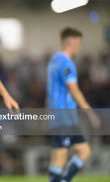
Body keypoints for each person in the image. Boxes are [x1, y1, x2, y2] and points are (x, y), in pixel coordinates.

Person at [47, 27, 100, 182]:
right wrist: (90, 113)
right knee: (60, 155)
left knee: (84, 150)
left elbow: (50, 90)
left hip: (62, 115)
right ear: (70, 42)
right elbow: (74, 90)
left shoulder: (54, 60)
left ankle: (63, 180)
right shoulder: (66, 63)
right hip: (63, 115)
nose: (80, 46)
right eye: (79, 43)